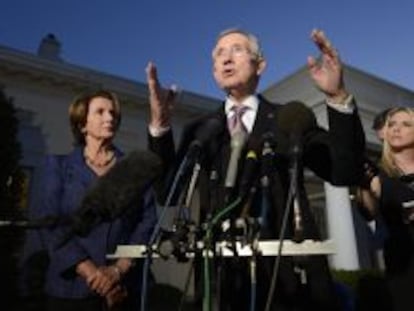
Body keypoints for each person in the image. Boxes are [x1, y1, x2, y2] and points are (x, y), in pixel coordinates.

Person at [146, 28, 365, 310]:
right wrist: (160, 125)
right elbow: (168, 194)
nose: (226, 59)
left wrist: (337, 97)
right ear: (213, 71)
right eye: (219, 55)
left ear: (260, 64)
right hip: (219, 280)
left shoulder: (290, 118)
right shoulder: (200, 129)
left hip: (285, 278)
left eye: (236, 50)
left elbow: (344, 172)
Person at [19, 90, 157, 311]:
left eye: (113, 113)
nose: (110, 117)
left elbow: (148, 223)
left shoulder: (134, 169)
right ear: (82, 125)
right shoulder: (58, 167)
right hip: (70, 290)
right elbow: (50, 225)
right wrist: (92, 273)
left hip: (123, 290)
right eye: (100, 112)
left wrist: (117, 270)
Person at [357, 106, 414, 311]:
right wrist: (363, 186)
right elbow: (368, 212)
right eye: (391, 125)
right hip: (403, 267)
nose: (396, 129)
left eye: (406, 124)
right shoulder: (377, 174)